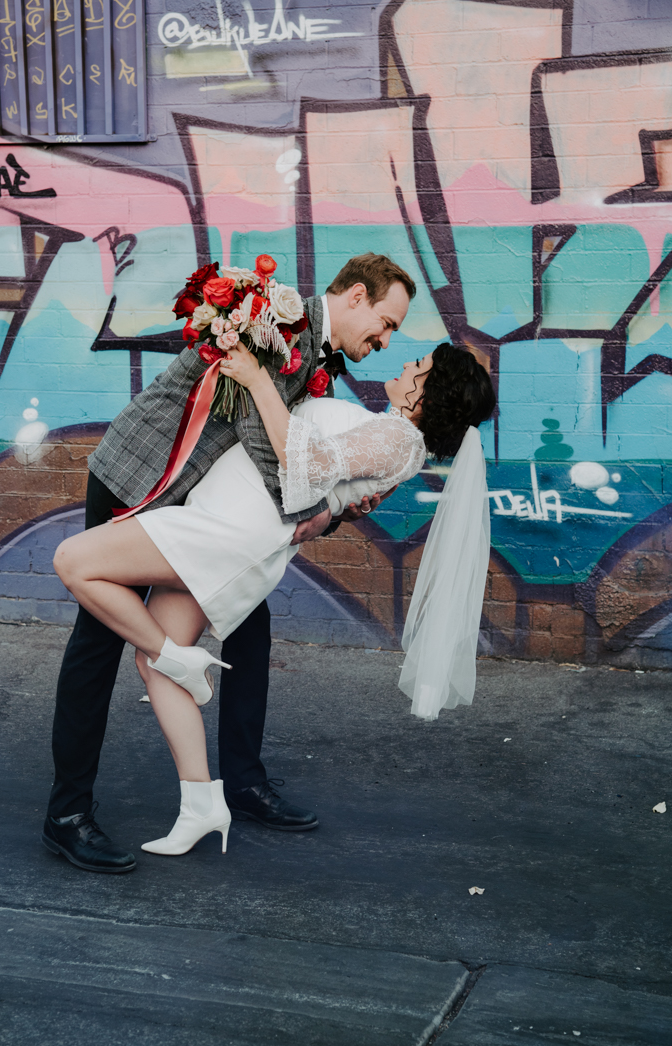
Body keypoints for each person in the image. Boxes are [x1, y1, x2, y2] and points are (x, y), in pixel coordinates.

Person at [43, 253, 416, 873]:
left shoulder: (319, 354)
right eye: (386, 322)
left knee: (248, 621)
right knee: (98, 641)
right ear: (355, 296)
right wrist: (310, 508)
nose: (386, 339)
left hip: (197, 498)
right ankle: (66, 814)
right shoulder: (275, 322)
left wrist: (336, 502)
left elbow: (297, 448)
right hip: (141, 476)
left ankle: (240, 783)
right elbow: (258, 433)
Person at [53, 340, 496, 858]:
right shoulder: (392, 435)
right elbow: (329, 484)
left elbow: (304, 463)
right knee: (156, 670)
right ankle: (201, 804)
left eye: (419, 365)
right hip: (233, 521)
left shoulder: (399, 439)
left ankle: (179, 658)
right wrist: (337, 504)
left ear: (428, 396)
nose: (405, 362)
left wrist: (257, 378)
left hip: (230, 529)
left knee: (73, 560)